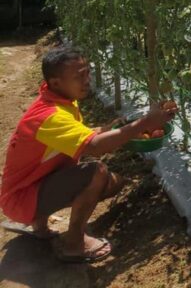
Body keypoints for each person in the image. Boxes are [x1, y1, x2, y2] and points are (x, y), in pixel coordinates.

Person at [0, 45, 177, 263]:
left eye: (88, 73)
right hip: (20, 200)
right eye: (79, 76)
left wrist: (111, 128)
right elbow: (94, 147)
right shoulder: (50, 116)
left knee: (112, 183)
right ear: (56, 82)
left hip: (29, 188)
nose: (87, 80)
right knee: (96, 172)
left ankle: (40, 225)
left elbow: (77, 135)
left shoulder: (58, 100)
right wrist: (146, 122)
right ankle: (74, 244)